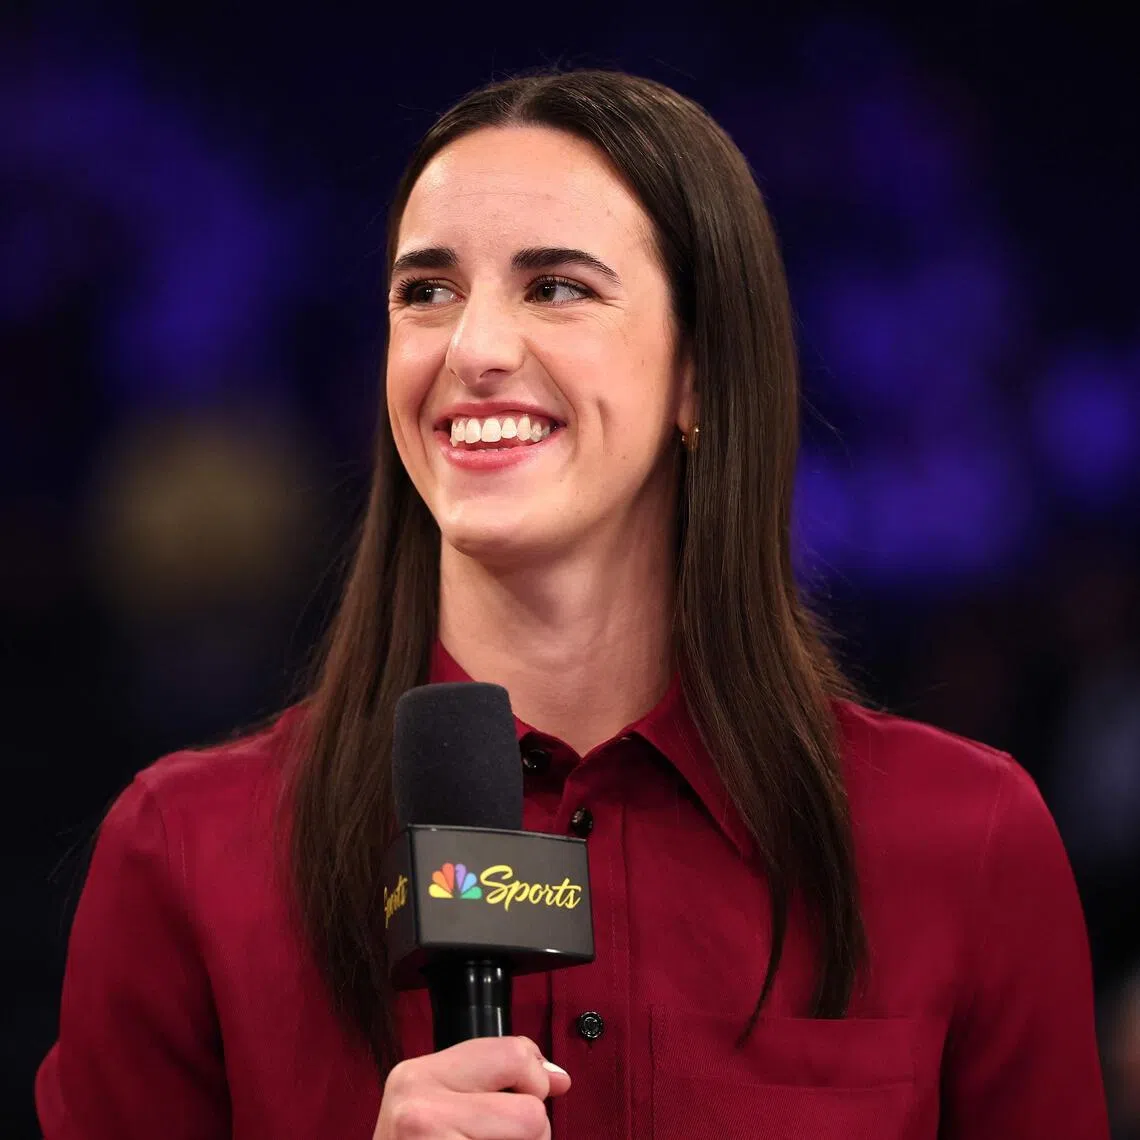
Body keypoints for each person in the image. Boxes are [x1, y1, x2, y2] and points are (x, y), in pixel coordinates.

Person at [36, 68, 1109, 1140]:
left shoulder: (962, 841)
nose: (474, 350)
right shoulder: (186, 852)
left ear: (699, 368)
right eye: (427, 291)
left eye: (555, 287)